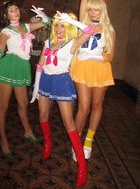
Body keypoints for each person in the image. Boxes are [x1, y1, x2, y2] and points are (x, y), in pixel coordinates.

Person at [0, 1, 50, 158]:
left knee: (23, 103)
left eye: (16, 9)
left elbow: (46, 22)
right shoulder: (6, 31)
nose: (15, 12)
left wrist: (42, 14)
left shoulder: (25, 27)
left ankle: (27, 131)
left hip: (22, 68)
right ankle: (3, 139)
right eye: (11, 10)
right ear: (6, 15)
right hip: (8, 67)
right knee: (3, 106)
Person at [30, 11, 95, 187]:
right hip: (45, 81)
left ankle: (82, 164)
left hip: (62, 82)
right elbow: (40, 65)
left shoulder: (73, 43)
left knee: (69, 123)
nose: (59, 29)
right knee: (42, 116)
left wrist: (71, 21)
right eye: (57, 24)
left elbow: (90, 30)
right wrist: (36, 88)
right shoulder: (47, 42)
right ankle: (47, 143)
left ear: (68, 27)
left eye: (63, 25)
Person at [71, 0, 115, 161]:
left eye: (97, 9)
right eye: (91, 9)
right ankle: (76, 141)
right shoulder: (84, 22)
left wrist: (102, 54)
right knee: (85, 106)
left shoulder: (109, 30)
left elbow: (110, 56)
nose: (93, 12)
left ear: (103, 11)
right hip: (82, 67)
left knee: (97, 106)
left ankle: (89, 140)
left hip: (100, 69)